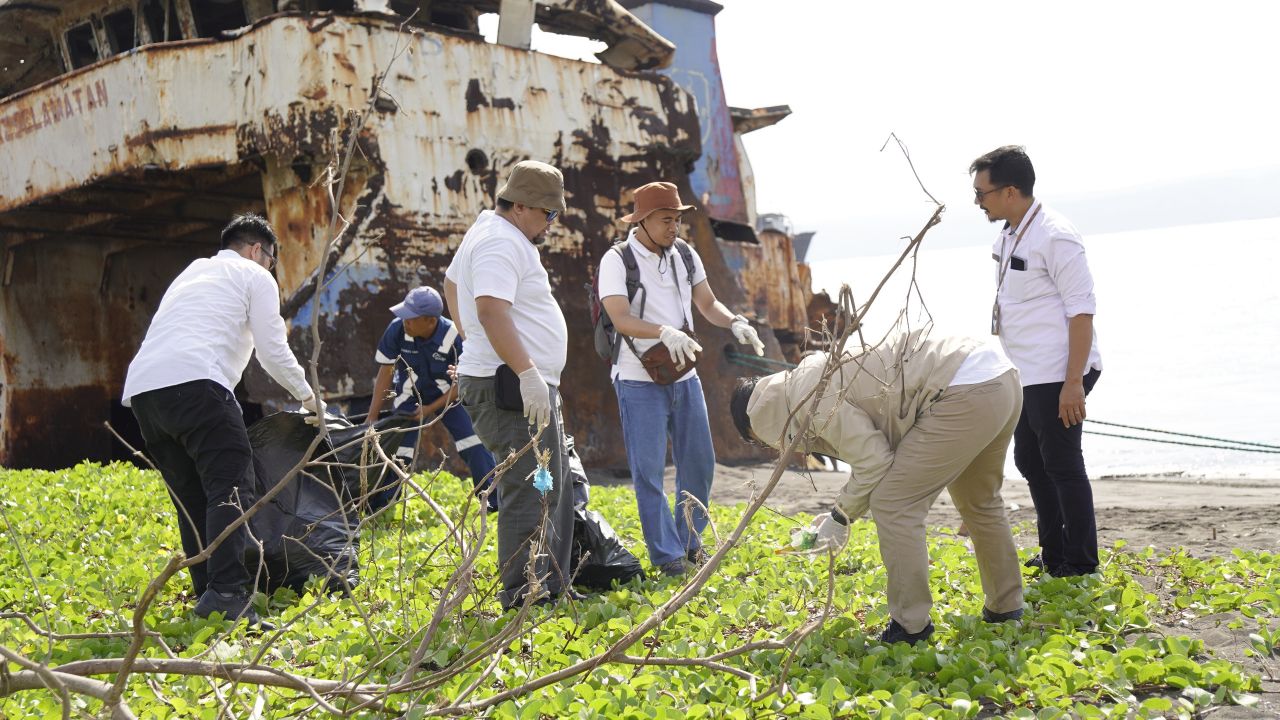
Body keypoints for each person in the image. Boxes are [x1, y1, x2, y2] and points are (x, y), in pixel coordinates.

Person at [730, 331, 1025, 644]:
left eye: (761, 440)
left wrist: (840, 517)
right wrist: (837, 515)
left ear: (759, 421)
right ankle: (1005, 608)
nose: (774, 446)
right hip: (999, 377)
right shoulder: (807, 377)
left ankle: (910, 627)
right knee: (980, 501)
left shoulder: (806, 398)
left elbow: (874, 460)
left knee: (894, 504)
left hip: (962, 388)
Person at [122, 214, 324, 627]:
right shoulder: (254, 275)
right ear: (257, 250)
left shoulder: (193, 272)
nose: (271, 269)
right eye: (271, 261)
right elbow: (272, 351)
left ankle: (209, 596)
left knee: (192, 498)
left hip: (145, 394)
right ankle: (229, 593)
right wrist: (309, 398)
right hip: (199, 385)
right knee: (231, 487)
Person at [598, 181, 765, 576]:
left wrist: (735, 322)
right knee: (649, 472)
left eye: (677, 219)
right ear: (641, 220)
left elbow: (707, 303)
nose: (674, 227)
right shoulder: (617, 260)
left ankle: (690, 543)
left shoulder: (685, 254)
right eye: (666, 220)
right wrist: (663, 331)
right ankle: (667, 556)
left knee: (699, 463)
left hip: (684, 373)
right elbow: (619, 317)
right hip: (637, 377)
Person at [443, 160, 578, 610]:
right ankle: (524, 597)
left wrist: (472, 341)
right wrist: (526, 372)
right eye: (547, 213)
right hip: (511, 385)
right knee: (529, 487)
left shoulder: (491, 232)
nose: (551, 222)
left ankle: (549, 583)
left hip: (520, 381)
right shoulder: (499, 241)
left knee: (550, 483)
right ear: (520, 206)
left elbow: (451, 283)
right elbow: (491, 310)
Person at [971, 145, 1103, 577]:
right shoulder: (1009, 234)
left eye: (982, 193)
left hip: (1058, 371)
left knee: (1063, 465)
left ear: (1010, 191)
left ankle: (1080, 562)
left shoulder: (1056, 235)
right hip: (1024, 372)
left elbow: (1081, 312)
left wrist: (1073, 383)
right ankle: (1054, 551)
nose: (978, 202)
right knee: (1030, 461)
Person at [364, 286, 499, 513]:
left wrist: (430, 409)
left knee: (474, 442)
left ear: (430, 321)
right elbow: (385, 371)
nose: (405, 321)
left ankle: (492, 504)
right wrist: (372, 417)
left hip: (450, 397)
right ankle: (382, 508)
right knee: (399, 451)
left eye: (411, 318)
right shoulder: (397, 329)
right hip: (409, 397)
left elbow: (462, 383)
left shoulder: (454, 335)